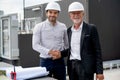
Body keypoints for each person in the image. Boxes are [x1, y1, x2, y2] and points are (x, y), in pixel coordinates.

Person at [54, 2, 104, 80]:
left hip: (86, 68)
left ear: (83, 14)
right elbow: (70, 49)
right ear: (70, 15)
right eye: (73, 13)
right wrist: (60, 54)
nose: (76, 15)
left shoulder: (91, 29)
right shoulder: (69, 31)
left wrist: (99, 72)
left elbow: (97, 51)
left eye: (78, 13)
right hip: (72, 67)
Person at [32, 2, 68, 80]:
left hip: (59, 61)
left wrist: (61, 54)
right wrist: (50, 52)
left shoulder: (63, 27)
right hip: (45, 61)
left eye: (55, 13)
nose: (52, 14)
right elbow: (35, 45)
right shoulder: (39, 27)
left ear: (58, 14)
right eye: (50, 12)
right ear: (46, 13)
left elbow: (67, 45)